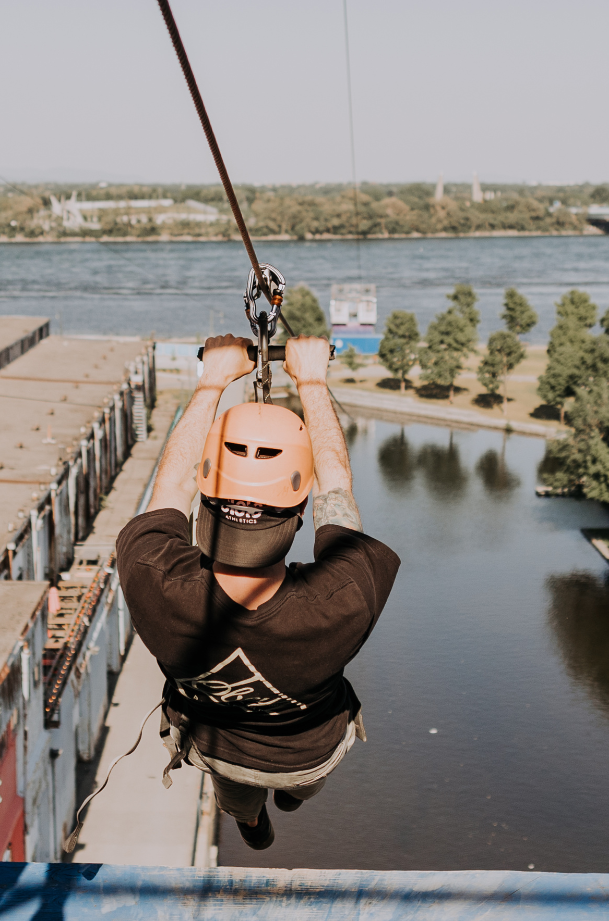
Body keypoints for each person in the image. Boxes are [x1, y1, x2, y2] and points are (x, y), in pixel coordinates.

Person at [115, 334, 399, 850]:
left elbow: (170, 486)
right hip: (308, 755)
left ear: (205, 492)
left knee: (237, 798)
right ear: (299, 510)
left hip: (218, 750)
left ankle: (250, 822)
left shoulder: (150, 576)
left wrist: (211, 383)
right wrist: (312, 382)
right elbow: (336, 490)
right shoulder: (344, 598)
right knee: (302, 784)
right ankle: (291, 796)